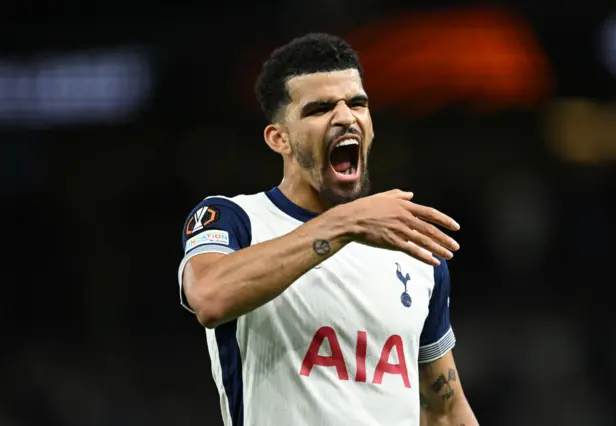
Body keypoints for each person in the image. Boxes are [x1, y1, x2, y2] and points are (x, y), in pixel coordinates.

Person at [177, 33, 479, 426]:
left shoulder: (412, 249)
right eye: (319, 109)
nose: (345, 116)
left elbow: (444, 411)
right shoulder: (237, 219)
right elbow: (211, 297)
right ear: (279, 138)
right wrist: (347, 222)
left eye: (357, 103)